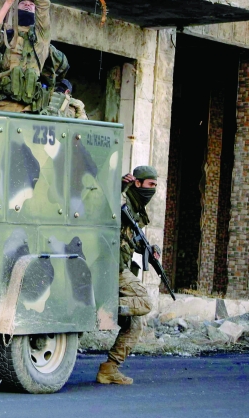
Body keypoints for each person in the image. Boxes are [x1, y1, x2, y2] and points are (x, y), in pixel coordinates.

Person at [97, 165, 159, 385]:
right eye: (150, 185)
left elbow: (129, 243)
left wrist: (148, 250)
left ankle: (109, 368)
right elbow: (106, 206)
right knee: (144, 301)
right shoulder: (124, 198)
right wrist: (121, 186)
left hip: (121, 265)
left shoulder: (137, 208)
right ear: (138, 183)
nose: (153, 190)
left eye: (155, 186)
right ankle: (100, 308)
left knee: (135, 324)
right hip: (109, 266)